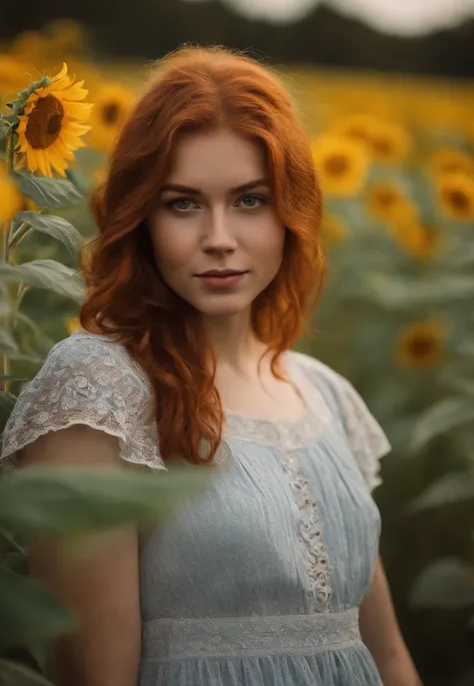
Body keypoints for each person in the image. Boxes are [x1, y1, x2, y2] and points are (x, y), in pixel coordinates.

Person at [0, 45, 422, 686]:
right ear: (140, 217)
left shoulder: (323, 393)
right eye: (183, 203)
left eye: (251, 201)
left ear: (291, 212)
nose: (219, 237)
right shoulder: (98, 391)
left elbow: (387, 657)